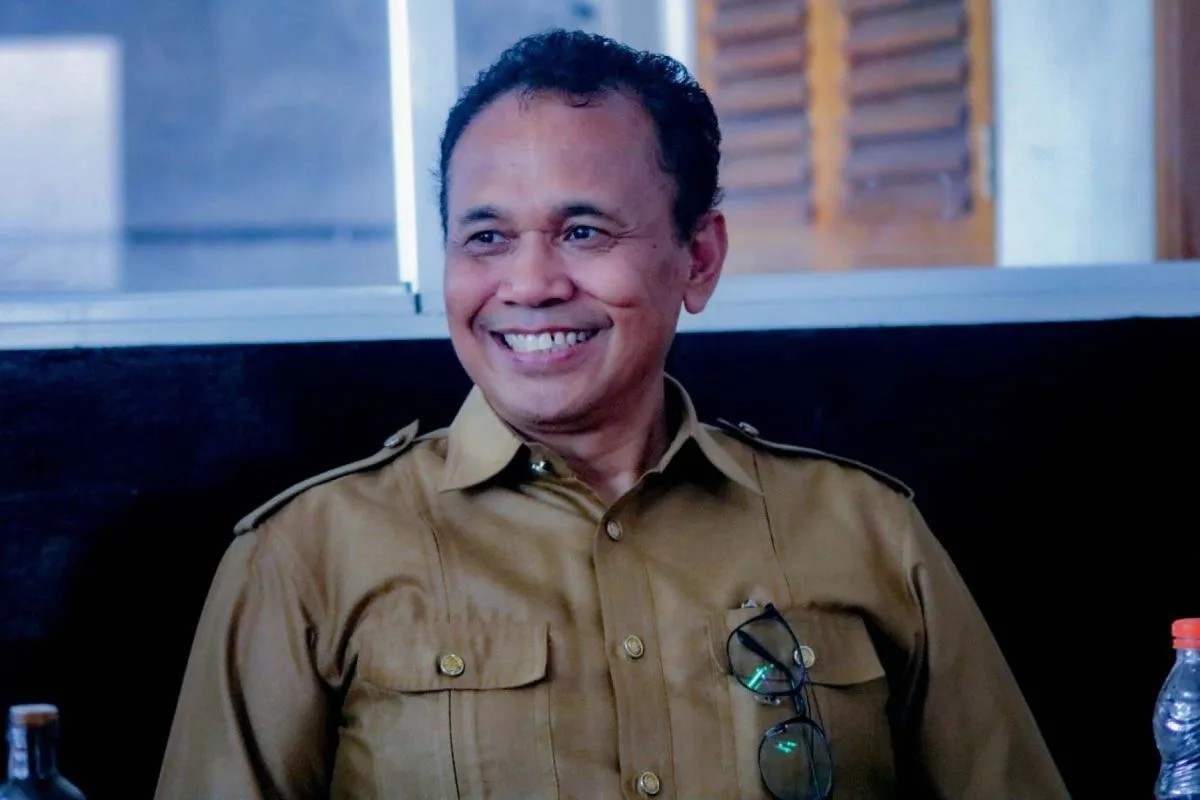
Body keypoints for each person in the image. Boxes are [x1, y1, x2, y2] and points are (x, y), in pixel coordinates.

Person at [154, 29, 1070, 800]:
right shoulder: (305, 560)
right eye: (486, 237)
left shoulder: (868, 534)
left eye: (584, 231)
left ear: (699, 258)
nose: (529, 284)